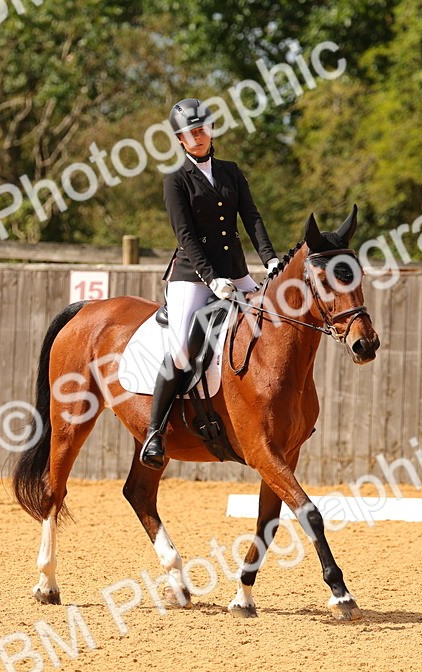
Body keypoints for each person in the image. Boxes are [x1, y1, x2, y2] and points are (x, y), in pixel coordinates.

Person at [139, 97, 281, 469]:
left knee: (272, 326)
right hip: (192, 276)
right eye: (189, 132)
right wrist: (211, 278)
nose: (197, 136)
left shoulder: (232, 171)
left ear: (211, 130)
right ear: (180, 139)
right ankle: (155, 432)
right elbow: (185, 235)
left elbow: (251, 218)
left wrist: (271, 259)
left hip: (235, 270)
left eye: (201, 128)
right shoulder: (175, 178)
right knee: (184, 349)